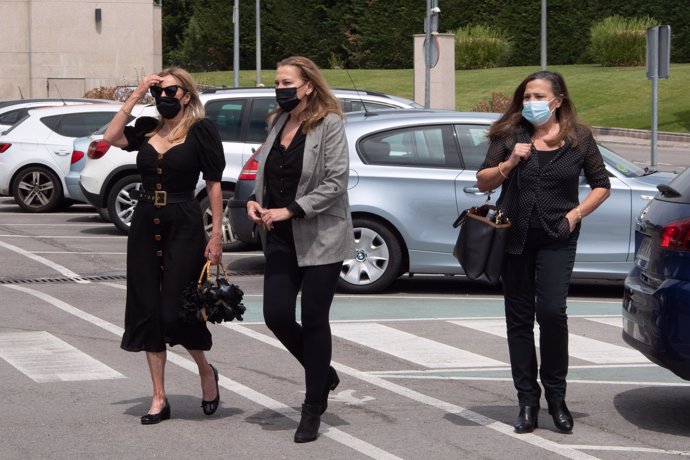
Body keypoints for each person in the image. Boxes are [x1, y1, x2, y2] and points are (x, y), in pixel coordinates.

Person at [476, 70, 610, 434]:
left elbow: (602, 185)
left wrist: (576, 213)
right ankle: (527, 401)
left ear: (558, 100)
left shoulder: (579, 138)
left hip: (558, 235)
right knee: (519, 320)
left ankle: (556, 397)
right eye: (527, 96)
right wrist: (509, 162)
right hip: (514, 237)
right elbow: (482, 179)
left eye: (538, 96)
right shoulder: (510, 136)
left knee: (552, 313)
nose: (530, 103)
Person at [104, 67, 226, 424]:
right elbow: (111, 136)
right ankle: (159, 397)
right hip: (144, 223)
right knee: (148, 311)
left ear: (187, 95)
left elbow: (215, 185)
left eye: (171, 91)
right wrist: (139, 90)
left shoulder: (201, 131)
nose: (164, 97)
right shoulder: (147, 128)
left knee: (176, 311)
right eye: (160, 91)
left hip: (184, 222)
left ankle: (205, 371)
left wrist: (216, 234)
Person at [245, 56, 354, 443]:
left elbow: (335, 181)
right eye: (277, 82)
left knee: (313, 318)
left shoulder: (329, 125)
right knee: (275, 313)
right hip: (278, 235)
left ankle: (312, 406)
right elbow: (266, 171)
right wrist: (254, 202)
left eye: (287, 82)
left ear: (308, 85)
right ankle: (322, 372)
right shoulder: (277, 122)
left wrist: (291, 209)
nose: (280, 88)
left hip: (321, 237)